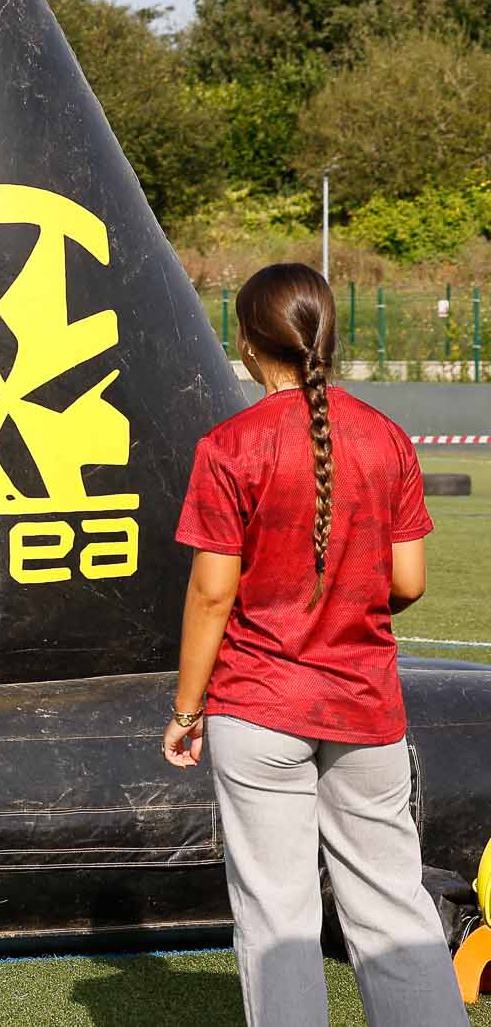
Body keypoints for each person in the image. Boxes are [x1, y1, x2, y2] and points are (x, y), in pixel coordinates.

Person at [162, 263, 465, 1026]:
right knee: (395, 911)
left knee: (279, 920)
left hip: (258, 706)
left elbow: (210, 593)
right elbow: (410, 581)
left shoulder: (231, 445)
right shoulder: (388, 438)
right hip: (366, 708)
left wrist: (185, 707)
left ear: (247, 342)